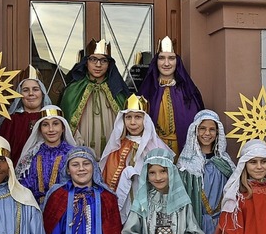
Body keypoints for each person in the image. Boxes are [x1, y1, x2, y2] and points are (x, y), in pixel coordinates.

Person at [100, 94, 173, 222]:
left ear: (145, 120)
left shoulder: (156, 147)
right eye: (128, 117)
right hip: (125, 204)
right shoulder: (117, 148)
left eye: (138, 117)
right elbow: (110, 178)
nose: (133, 122)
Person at [59, 39, 130, 156]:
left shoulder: (117, 91)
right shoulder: (73, 91)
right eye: (93, 60)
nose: (98, 65)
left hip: (113, 152)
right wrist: (78, 145)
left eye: (103, 60)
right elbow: (67, 122)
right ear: (86, 62)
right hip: (81, 152)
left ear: (109, 64)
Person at [138, 36, 204, 155]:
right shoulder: (147, 92)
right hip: (153, 150)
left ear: (177, 62)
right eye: (162, 58)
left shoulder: (189, 92)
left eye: (171, 58)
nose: (166, 63)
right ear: (156, 62)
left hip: (183, 151)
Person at [15, 105, 77, 206]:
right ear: (39, 129)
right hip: (35, 211)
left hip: (65, 210)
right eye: (45, 125)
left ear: (63, 128)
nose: (51, 129)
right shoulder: (32, 155)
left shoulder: (72, 154)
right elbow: (22, 185)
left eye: (55, 124)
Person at [0, 65, 53, 161]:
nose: (31, 93)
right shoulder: (11, 121)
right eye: (25, 90)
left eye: (35, 89)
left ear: (42, 93)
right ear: (19, 95)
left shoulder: (52, 118)